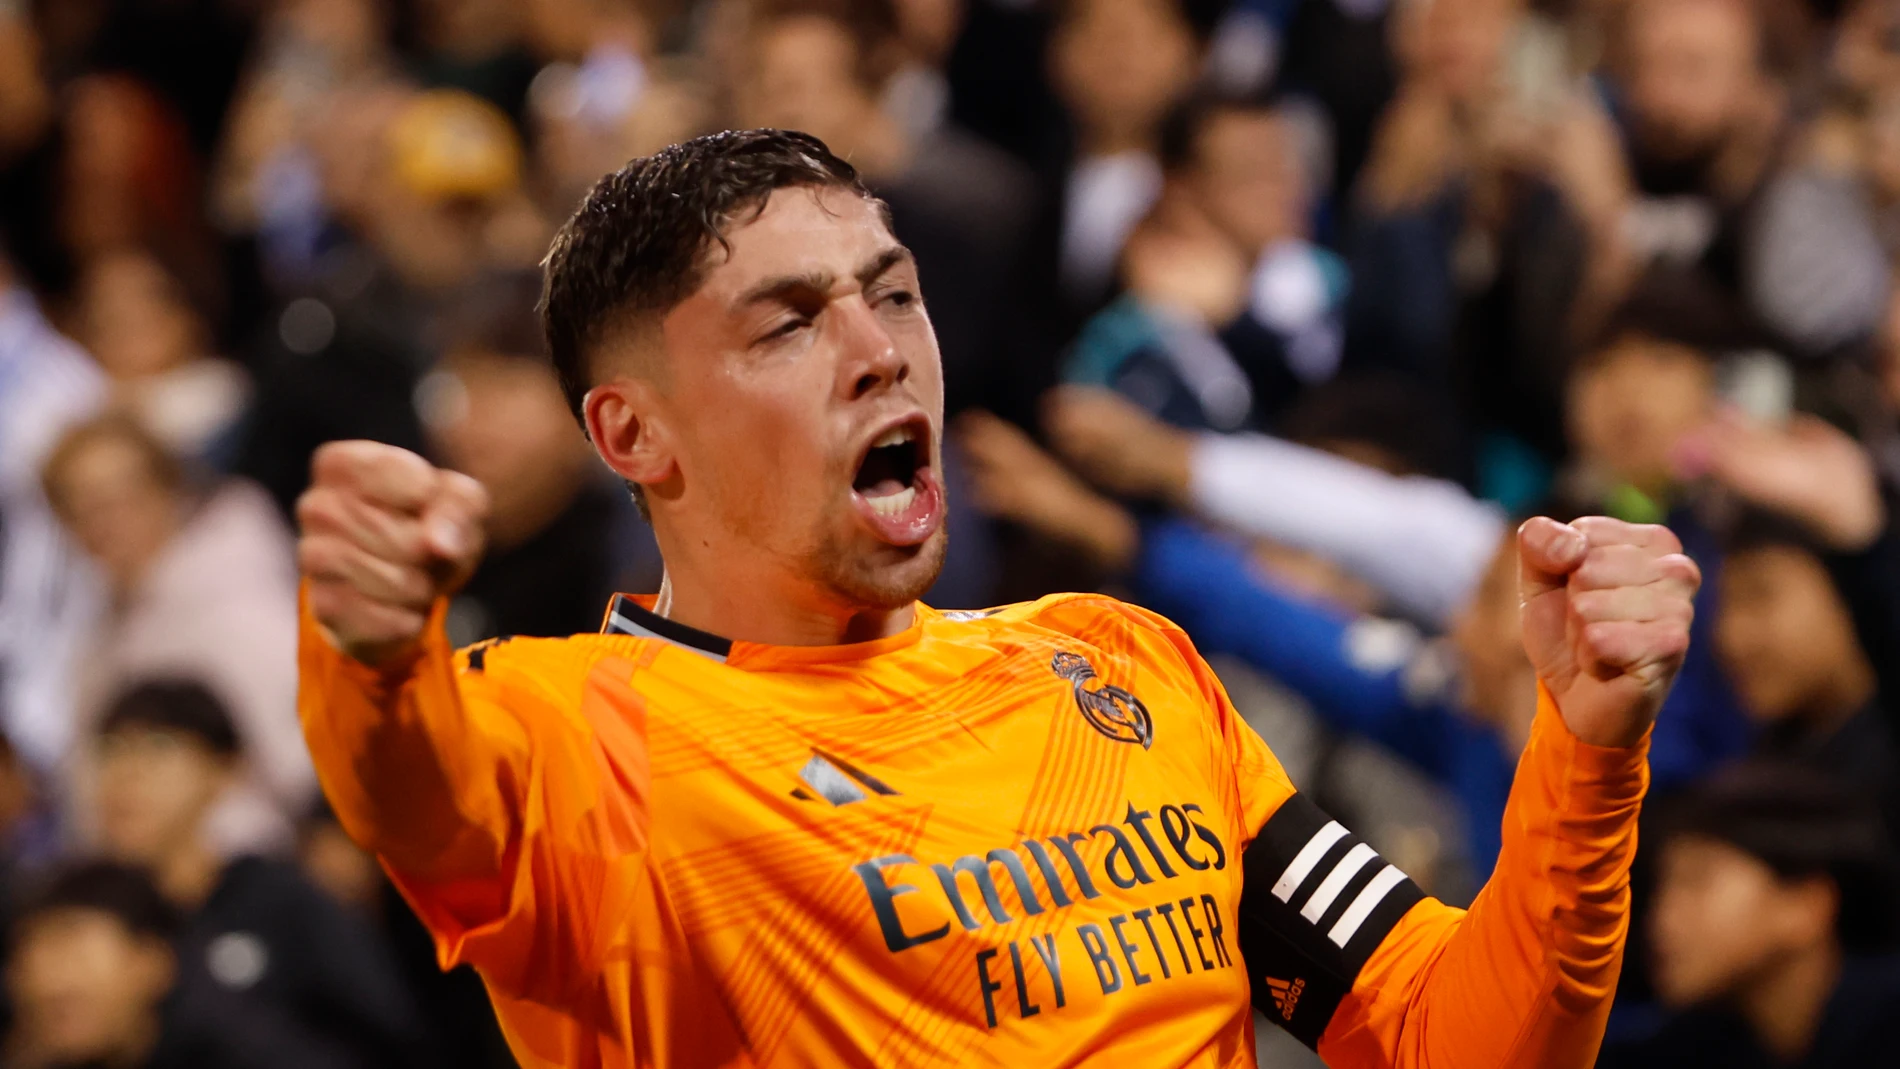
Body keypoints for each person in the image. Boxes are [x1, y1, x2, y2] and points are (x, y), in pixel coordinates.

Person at [296, 129, 1699, 1067]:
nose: (878, 351)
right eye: (788, 322)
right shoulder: (574, 733)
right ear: (633, 435)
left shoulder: (1121, 665)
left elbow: (1456, 1035)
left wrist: (1584, 752)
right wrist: (364, 646)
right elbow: (405, 780)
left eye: (891, 295)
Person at [91, 680, 422, 1068]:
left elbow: (390, 1041)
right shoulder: (75, 914)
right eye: (110, 750)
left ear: (225, 770)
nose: (127, 775)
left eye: (158, 749)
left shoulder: (286, 904)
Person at [41, 415, 312, 855]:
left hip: (239, 873)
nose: (103, 524)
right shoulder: (103, 636)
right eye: (79, 509)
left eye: (118, 500)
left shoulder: (237, 603)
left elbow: (301, 764)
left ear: (168, 490)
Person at [1598, 764, 1900, 1069]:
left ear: (1806, 904)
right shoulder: (1696, 1043)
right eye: (1663, 888)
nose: (1662, 918)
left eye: (1696, 881)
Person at [3, 860, 351, 1069]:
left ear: (153, 962)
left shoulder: (248, 1053)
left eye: (71, 953)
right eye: (26, 959)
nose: (46, 983)